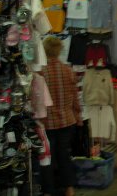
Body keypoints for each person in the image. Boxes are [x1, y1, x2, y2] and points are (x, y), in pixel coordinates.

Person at [40, 36, 82, 196]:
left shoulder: (40, 73)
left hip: (47, 123)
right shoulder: (68, 71)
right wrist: (78, 118)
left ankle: (48, 191)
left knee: (47, 158)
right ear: (59, 51)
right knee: (65, 155)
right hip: (67, 121)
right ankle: (69, 188)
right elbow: (75, 99)